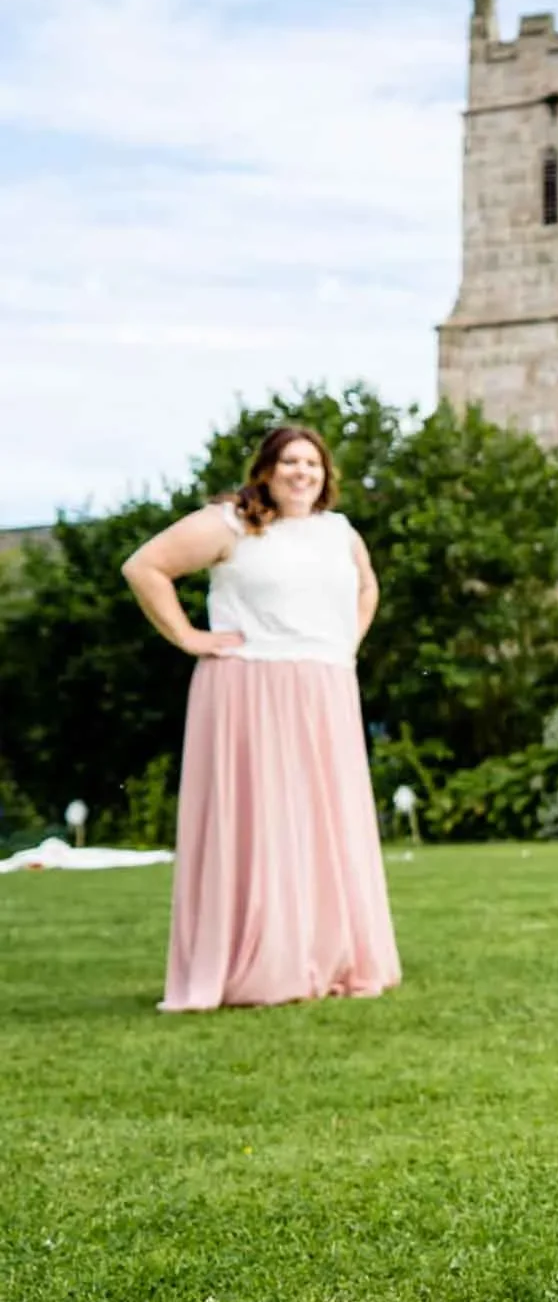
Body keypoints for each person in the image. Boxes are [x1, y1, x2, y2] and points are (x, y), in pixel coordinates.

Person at [121, 425, 399, 1011]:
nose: (303, 472)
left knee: (326, 824)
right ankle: (261, 963)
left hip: (326, 685)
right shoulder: (231, 523)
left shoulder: (339, 532)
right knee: (263, 821)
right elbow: (145, 567)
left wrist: (345, 644)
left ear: (326, 475)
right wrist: (189, 637)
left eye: (313, 463)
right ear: (266, 471)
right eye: (290, 461)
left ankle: (329, 956)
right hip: (249, 685)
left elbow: (367, 588)